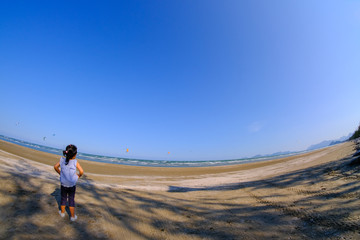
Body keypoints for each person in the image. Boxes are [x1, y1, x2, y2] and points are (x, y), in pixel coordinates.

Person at [54, 144, 84, 221]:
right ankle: (73, 216)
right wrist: (78, 176)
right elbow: (81, 171)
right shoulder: (75, 162)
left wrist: (60, 173)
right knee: (71, 200)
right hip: (72, 185)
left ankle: (62, 213)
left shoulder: (62, 160)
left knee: (63, 198)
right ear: (75, 154)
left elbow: (55, 167)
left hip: (63, 184)